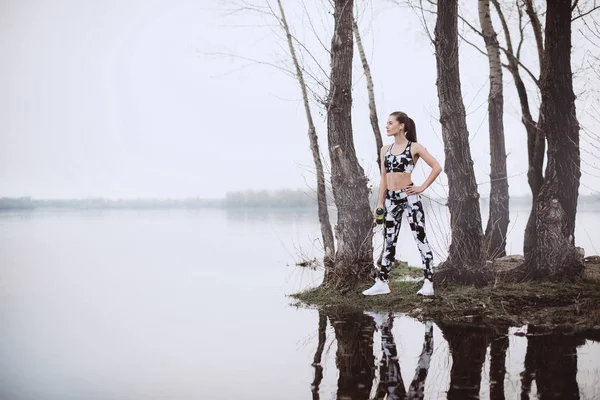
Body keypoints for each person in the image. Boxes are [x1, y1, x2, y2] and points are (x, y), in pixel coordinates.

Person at [363, 111, 442, 296]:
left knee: (420, 239)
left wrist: (422, 187)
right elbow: (383, 178)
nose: (387, 126)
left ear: (401, 126)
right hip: (390, 200)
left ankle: (429, 283)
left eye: (390, 123)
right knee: (389, 241)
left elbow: (437, 166)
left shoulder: (414, 147)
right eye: (387, 123)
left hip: (410, 198)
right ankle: (382, 282)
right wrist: (380, 202)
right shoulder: (385, 150)